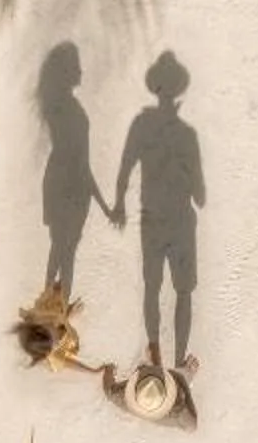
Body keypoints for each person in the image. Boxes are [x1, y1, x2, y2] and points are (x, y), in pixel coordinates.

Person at [111, 50, 204, 369]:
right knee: (183, 292)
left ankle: (156, 354)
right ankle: (178, 362)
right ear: (177, 91)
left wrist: (119, 203)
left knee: (153, 288)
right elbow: (201, 193)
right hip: (179, 221)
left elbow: (125, 166)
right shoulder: (187, 135)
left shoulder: (141, 125)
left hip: (152, 220)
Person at [36, 41, 111, 297]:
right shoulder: (65, 109)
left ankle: (54, 309)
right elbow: (79, 161)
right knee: (64, 251)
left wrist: (103, 205)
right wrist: (104, 205)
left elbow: (81, 162)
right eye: (77, 66)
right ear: (67, 72)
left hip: (71, 185)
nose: (82, 71)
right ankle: (52, 308)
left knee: (64, 251)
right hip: (68, 185)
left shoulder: (60, 107)